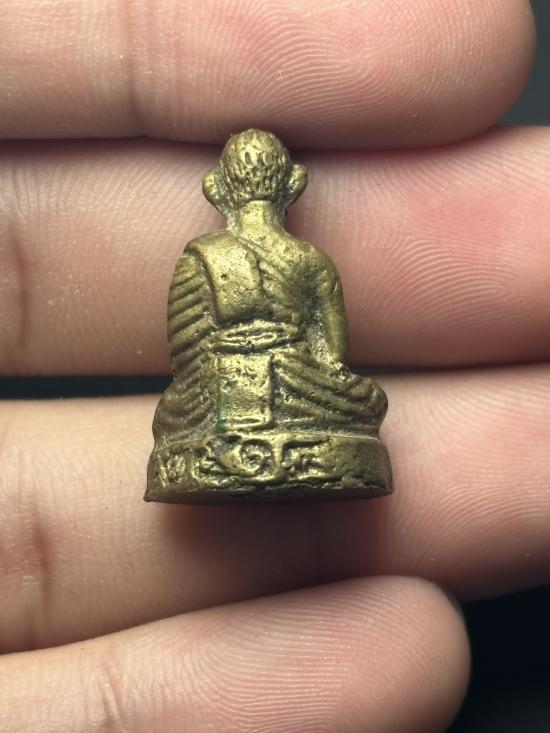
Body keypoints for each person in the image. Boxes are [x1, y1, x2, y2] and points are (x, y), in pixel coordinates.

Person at [0, 1, 545, 731]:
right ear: (293, 185)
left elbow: (188, 355)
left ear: (217, 189)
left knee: (185, 405)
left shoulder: (203, 259)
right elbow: (330, 360)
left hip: (218, 397)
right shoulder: (309, 261)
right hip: (301, 393)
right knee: (361, 399)